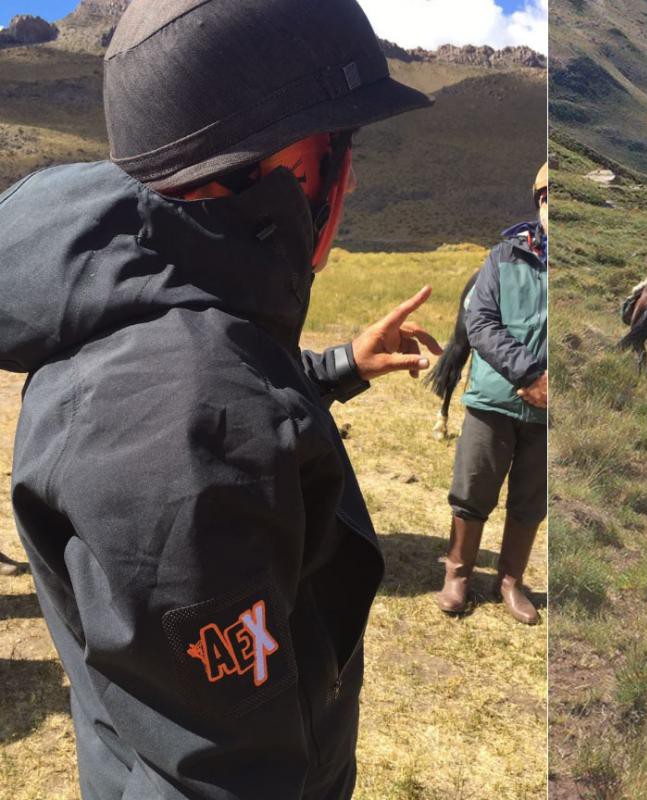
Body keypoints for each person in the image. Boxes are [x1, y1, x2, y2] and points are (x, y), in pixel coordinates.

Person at [0, 1, 443, 796]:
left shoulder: (154, 312)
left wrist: (341, 366)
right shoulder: (180, 423)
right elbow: (217, 780)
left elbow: (243, 395)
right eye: (348, 149)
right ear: (302, 170)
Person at [437, 163, 548, 625]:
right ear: (538, 201)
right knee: (473, 487)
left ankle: (510, 580)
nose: (552, 205)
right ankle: (458, 572)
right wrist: (528, 374)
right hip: (494, 396)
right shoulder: (502, 258)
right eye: (547, 197)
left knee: (531, 498)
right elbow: (479, 324)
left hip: (550, 413)